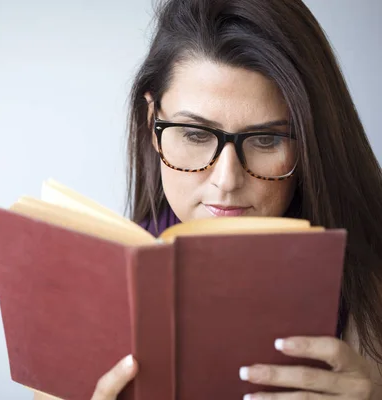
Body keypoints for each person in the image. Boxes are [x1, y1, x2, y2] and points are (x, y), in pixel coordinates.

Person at [36, 0, 382, 398]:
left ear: (310, 142)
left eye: (266, 139)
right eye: (196, 135)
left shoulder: (367, 292)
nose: (226, 181)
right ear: (153, 124)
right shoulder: (89, 295)